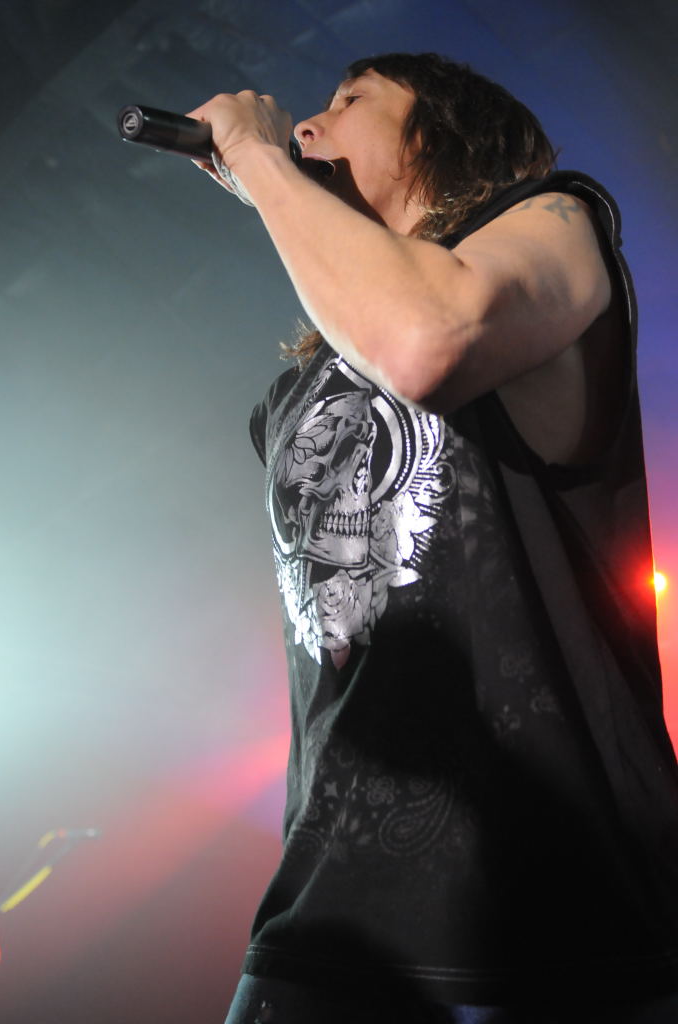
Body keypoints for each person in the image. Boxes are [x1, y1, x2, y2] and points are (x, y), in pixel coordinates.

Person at [187, 53, 678, 1024]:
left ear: (443, 134)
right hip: (325, 910)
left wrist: (260, 157)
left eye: (348, 101)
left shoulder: (558, 222)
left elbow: (427, 338)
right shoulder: (290, 397)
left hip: (555, 903)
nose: (308, 124)